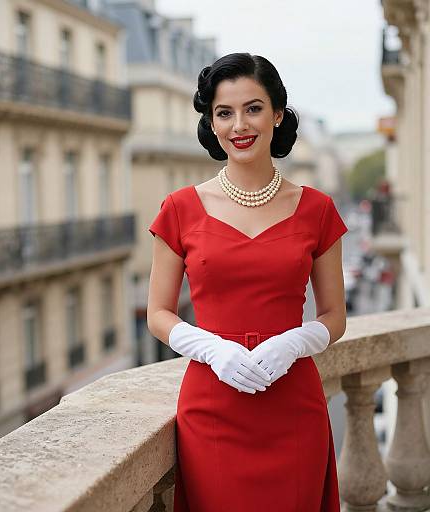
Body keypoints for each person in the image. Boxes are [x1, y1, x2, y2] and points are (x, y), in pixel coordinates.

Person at [147, 52, 347, 512]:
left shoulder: (317, 209)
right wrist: (212, 349)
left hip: (293, 404)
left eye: (253, 108)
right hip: (213, 404)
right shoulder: (179, 208)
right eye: (225, 112)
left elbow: (335, 317)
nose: (240, 124)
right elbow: (157, 313)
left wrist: (294, 344)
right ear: (213, 124)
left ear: (277, 114)